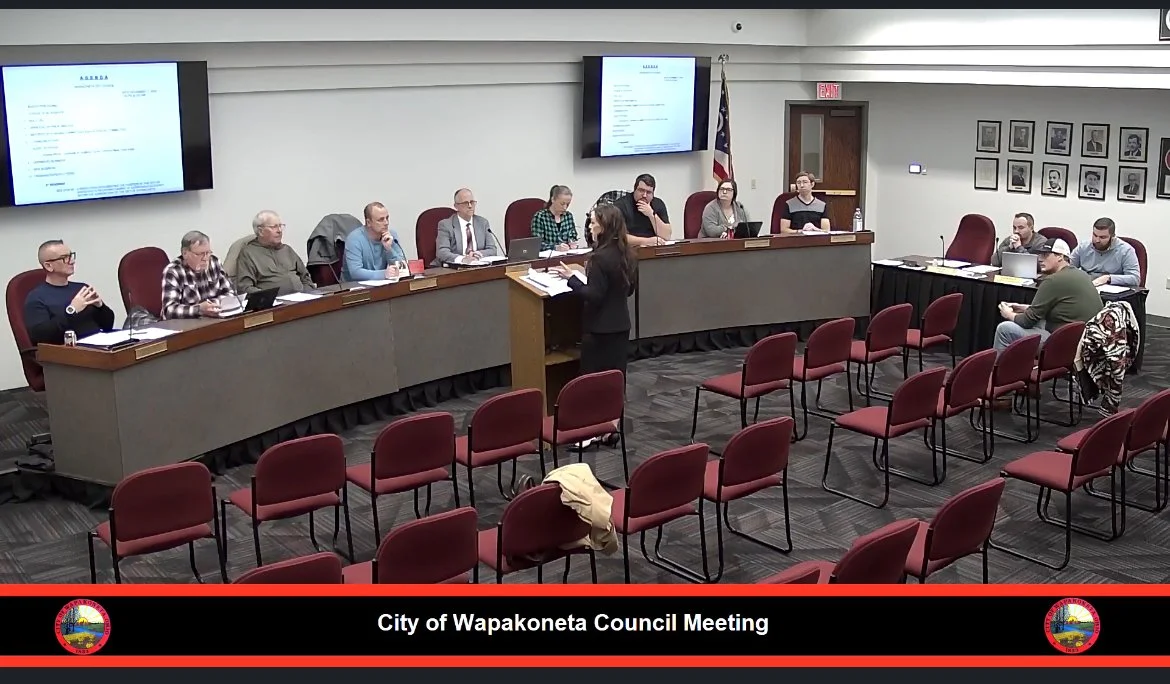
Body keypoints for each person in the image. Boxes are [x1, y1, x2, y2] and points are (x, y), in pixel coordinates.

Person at [551, 203, 637, 446]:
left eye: (593, 222)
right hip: (620, 325)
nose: (590, 226)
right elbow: (629, 289)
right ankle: (610, 428)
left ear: (605, 226)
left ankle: (588, 434)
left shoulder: (599, 258)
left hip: (599, 329)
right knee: (614, 381)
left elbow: (594, 296)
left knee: (591, 382)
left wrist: (573, 280)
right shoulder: (627, 253)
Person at [994, 238, 1102, 351]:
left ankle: (1002, 363)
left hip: (1064, 343)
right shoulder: (1081, 275)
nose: (1040, 259)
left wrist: (1008, 314)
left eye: (1045, 255)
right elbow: (1061, 309)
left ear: (1060, 256)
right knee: (1038, 321)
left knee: (1004, 329)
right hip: (1085, 340)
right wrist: (1024, 308)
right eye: (1040, 255)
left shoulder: (1053, 280)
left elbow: (1026, 321)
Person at [24, 240, 115, 345]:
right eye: (64, 258)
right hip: (68, 352)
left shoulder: (81, 289)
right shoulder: (36, 298)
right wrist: (72, 310)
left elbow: (107, 326)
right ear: (49, 266)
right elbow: (41, 337)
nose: (72, 261)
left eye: (71, 256)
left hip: (100, 346)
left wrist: (100, 307)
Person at [236, 210, 316, 295]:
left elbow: (305, 277)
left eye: (280, 226)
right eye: (274, 227)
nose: (279, 230)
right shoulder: (248, 253)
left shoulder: (287, 250)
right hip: (273, 301)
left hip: (303, 298)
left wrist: (307, 294)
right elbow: (245, 288)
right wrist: (269, 298)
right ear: (260, 231)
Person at [161, 230, 234, 319]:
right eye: (200, 254)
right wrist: (199, 309)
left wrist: (211, 306)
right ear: (185, 253)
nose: (205, 258)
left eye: (208, 253)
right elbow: (169, 310)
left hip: (214, 319)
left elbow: (231, 293)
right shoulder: (174, 271)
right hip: (187, 323)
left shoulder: (214, 262)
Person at [343, 201, 407, 281]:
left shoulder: (391, 235)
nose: (386, 223)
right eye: (381, 220)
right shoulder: (354, 239)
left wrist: (389, 249)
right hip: (355, 286)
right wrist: (384, 274)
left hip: (384, 284)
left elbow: (402, 268)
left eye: (387, 218)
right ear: (369, 222)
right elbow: (356, 272)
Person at [1070, 217, 1141, 288]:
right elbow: (1068, 268)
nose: (1097, 240)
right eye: (1095, 235)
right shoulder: (1083, 247)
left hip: (1113, 290)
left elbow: (1135, 279)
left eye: (1102, 237)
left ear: (1112, 237)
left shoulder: (1125, 250)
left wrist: (1109, 278)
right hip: (1087, 287)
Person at [435, 188, 498, 265]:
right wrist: (463, 259)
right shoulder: (446, 225)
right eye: (465, 203)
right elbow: (442, 252)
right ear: (456, 206)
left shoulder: (482, 223)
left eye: (472, 202)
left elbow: (492, 249)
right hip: (455, 268)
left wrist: (478, 254)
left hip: (478, 265)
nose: (470, 206)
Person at [613, 174, 672, 247]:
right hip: (629, 249)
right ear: (635, 190)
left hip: (653, 248)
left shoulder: (658, 204)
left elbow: (666, 236)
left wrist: (651, 214)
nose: (644, 195)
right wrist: (647, 241)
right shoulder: (621, 205)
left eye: (649, 192)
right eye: (641, 190)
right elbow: (619, 237)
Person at [530, 185, 578, 252]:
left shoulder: (568, 216)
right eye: (562, 204)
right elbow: (537, 244)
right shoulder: (541, 217)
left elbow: (573, 236)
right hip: (548, 256)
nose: (565, 207)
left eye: (567, 204)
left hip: (566, 254)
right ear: (553, 199)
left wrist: (572, 243)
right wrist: (555, 247)